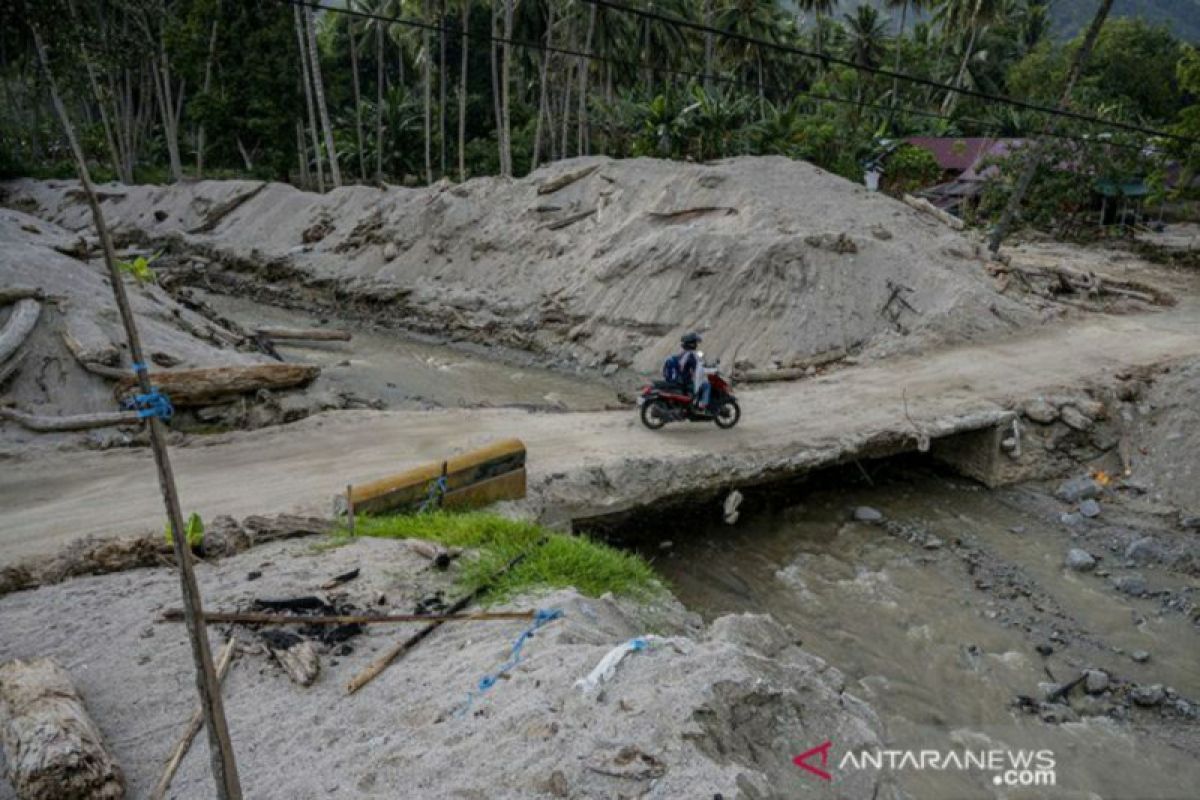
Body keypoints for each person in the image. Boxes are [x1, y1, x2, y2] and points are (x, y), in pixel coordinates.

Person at [677, 331, 711, 411]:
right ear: (691, 344)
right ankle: (702, 405)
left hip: (680, 378)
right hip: (686, 380)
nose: (696, 345)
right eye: (695, 343)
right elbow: (698, 368)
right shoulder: (691, 355)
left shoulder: (682, 353)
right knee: (706, 385)